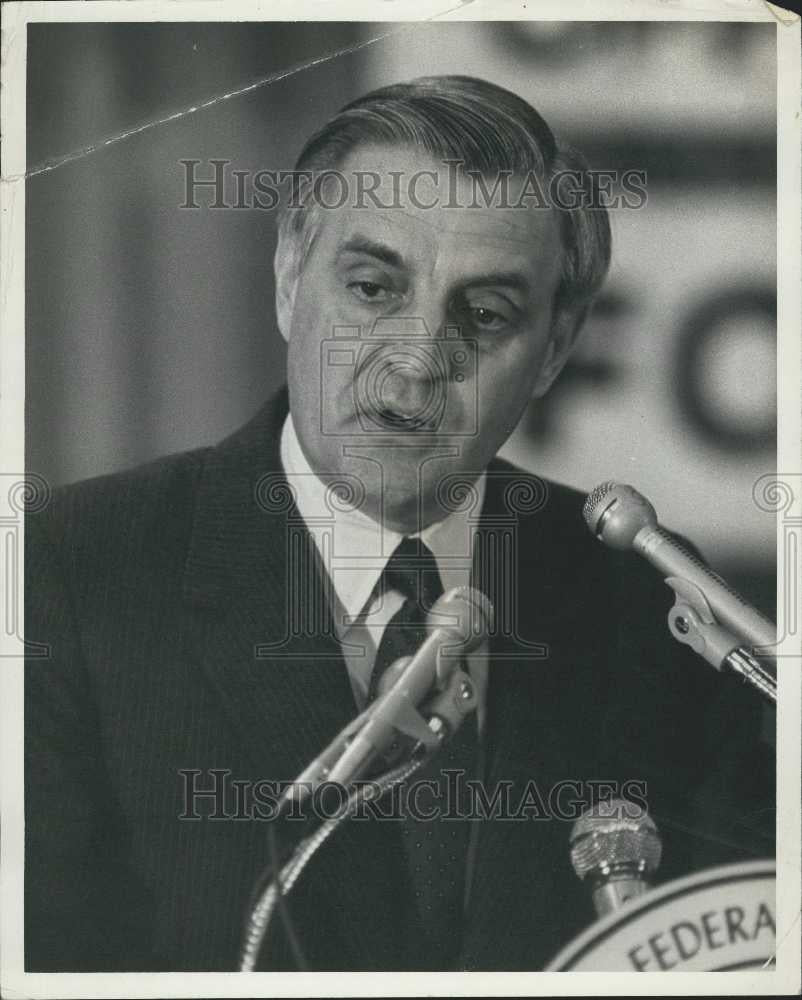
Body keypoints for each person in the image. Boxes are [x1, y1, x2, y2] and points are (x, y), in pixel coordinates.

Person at [24, 75, 774, 973]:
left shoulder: (648, 601)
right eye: (375, 287)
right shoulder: (68, 572)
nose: (420, 359)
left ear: (555, 351)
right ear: (288, 278)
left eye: (486, 313)